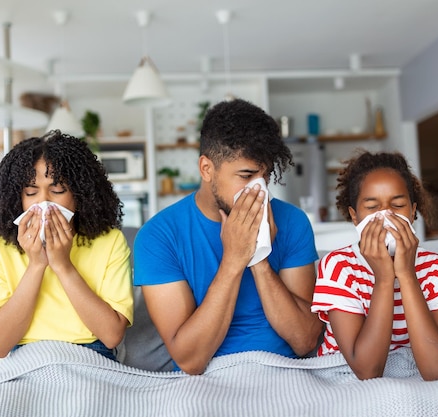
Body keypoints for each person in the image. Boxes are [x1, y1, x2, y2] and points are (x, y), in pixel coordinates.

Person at [133, 98, 324, 375]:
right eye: (246, 175)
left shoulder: (292, 222)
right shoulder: (158, 236)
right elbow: (190, 360)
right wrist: (234, 259)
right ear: (206, 169)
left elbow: (305, 341)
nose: (259, 190)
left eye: (265, 176)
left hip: (286, 371)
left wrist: (258, 255)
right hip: (208, 377)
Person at [0, 130, 133, 361]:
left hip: (91, 356)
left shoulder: (110, 242)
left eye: (57, 190)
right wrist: (37, 265)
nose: (43, 201)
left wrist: (63, 265)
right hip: (25, 359)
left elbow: (111, 336)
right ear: (18, 198)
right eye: (31, 191)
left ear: (80, 194)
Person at [311, 150, 438, 381]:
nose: (386, 216)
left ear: (413, 211)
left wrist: (407, 275)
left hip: (410, 376)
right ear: (355, 216)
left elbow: (437, 371)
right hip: (344, 376)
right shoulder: (339, 267)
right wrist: (385, 279)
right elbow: (367, 371)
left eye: (398, 205)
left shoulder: (436, 269)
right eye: (372, 207)